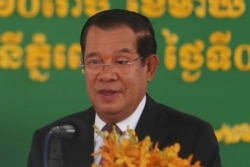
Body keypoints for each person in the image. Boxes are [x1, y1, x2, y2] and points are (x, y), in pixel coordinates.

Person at [27, 9, 221, 167]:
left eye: (121, 61)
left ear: (150, 68)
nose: (106, 75)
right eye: (94, 61)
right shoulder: (53, 140)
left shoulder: (192, 137)